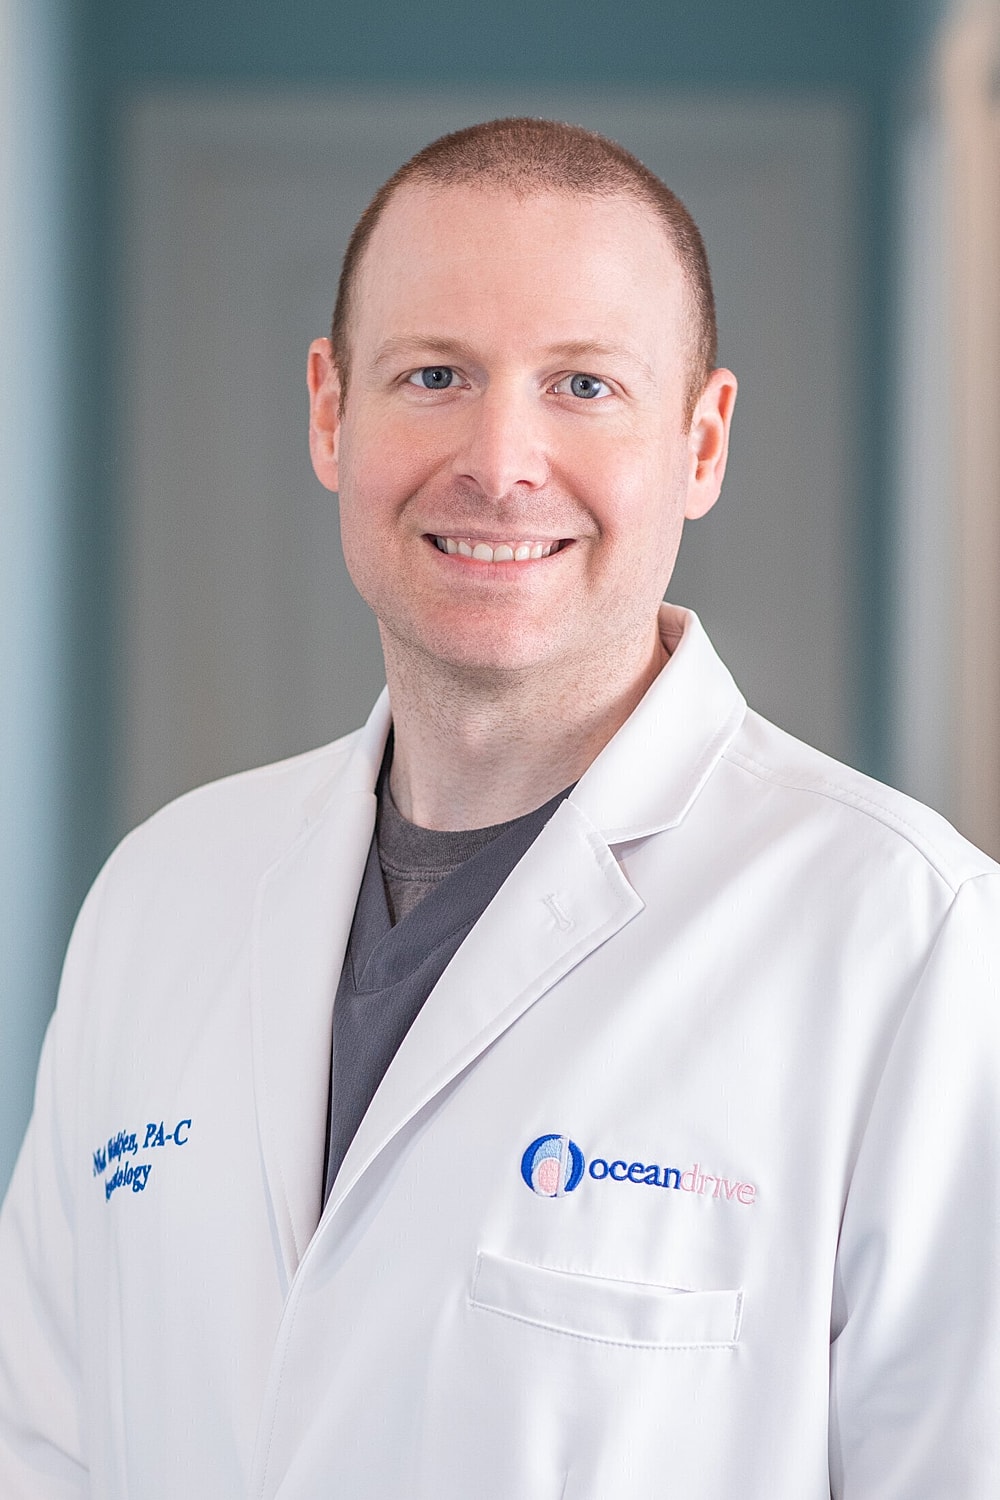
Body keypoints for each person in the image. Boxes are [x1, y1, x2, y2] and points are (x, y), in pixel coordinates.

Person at [0, 117, 997, 1500]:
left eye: (583, 384)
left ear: (701, 442)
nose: (500, 459)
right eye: (434, 375)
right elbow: (40, 1447)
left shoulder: (910, 942)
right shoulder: (161, 896)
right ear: (330, 412)